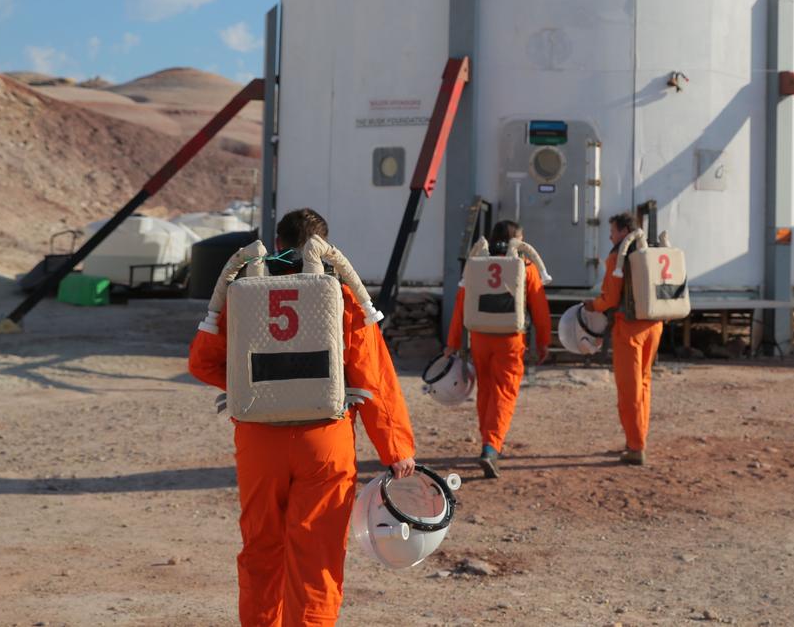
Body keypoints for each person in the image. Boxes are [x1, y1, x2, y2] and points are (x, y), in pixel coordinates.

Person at [188, 208, 417, 627]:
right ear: (325, 247)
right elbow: (374, 378)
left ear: (277, 245)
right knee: (317, 555)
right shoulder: (340, 296)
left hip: (259, 440)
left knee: (261, 549)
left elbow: (202, 363)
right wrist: (396, 449)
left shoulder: (244, 292)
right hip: (324, 441)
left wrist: (251, 387)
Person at [445, 220, 551, 478]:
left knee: (486, 391)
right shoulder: (525, 267)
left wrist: (453, 342)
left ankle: (488, 441)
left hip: (480, 337)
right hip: (511, 340)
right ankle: (491, 447)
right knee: (504, 393)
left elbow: (461, 304)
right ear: (518, 239)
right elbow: (539, 308)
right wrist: (544, 342)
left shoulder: (477, 266)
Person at [585, 211, 658, 466]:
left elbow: (611, 299)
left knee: (630, 389)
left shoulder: (617, 256)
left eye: (613, 231)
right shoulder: (648, 252)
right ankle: (637, 439)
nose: (610, 235)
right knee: (644, 383)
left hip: (629, 328)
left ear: (624, 232)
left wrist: (592, 305)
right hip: (653, 325)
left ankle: (636, 447)